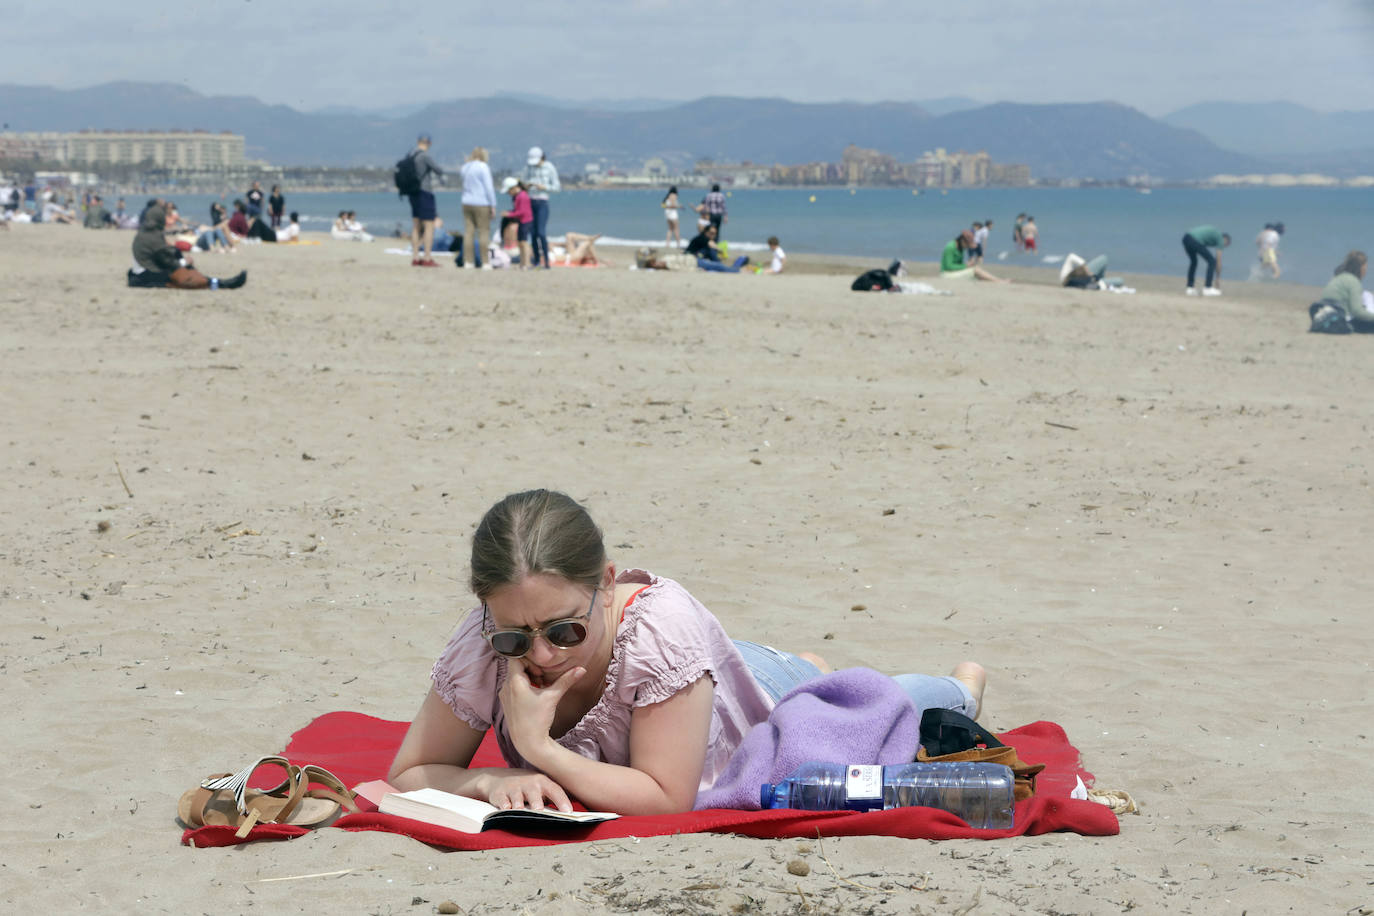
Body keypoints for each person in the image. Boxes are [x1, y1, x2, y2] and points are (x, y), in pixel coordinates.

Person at [387, 489, 986, 815]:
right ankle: (798, 662)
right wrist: (488, 780)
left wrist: (540, 750)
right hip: (704, 680)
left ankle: (961, 683)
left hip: (755, 703)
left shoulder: (657, 633)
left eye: (564, 630)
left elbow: (667, 799)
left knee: (876, 699)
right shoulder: (486, 642)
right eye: (515, 637)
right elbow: (406, 775)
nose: (540, 654)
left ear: (605, 583)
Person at [127, 200, 246, 290]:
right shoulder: (153, 237)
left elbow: (161, 255)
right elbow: (167, 261)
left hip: (139, 273)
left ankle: (214, 282)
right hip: (145, 276)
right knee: (183, 275)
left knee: (178, 257)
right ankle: (217, 283)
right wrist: (184, 262)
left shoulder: (143, 233)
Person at [1310, 251, 1371, 333]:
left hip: (1324, 309)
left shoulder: (1338, 278)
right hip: (1340, 315)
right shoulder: (1354, 282)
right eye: (1365, 266)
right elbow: (1357, 311)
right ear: (1361, 268)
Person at [407, 134, 444, 267]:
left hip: (412, 193)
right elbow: (439, 170)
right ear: (429, 143)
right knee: (429, 225)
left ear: (418, 141)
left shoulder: (411, 155)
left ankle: (415, 256)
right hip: (425, 192)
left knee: (416, 225)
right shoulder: (424, 156)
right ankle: (427, 257)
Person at [521, 147, 560, 269]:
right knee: (532, 233)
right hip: (530, 202)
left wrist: (544, 187)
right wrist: (526, 186)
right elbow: (522, 183)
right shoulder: (528, 167)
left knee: (541, 233)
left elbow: (557, 187)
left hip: (542, 202)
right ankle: (536, 261)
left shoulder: (549, 167)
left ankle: (546, 261)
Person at [460, 147, 498, 270]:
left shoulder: (465, 167)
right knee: (483, 232)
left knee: (468, 232)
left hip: (466, 202)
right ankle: (485, 262)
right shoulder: (483, 167)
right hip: (481, 202)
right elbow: (489, 188)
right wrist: (493, 205)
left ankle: (468, 261)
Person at [940, 230, 1009, 282]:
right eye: (967, 244)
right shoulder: (950, 247)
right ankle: (999, 281)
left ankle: (997, 280)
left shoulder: (961, 248)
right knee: (975, 270)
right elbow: (948, 266)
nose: (967, 247)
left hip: (952, 272)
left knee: (976, 272)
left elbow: (958, 264)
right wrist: (966, 266)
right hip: (946, 274)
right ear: (962, 241)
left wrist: (968, 264)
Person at [1181, 225, 1230, 296]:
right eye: (1226, 244)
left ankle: (1190, 288)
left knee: (1194, 262)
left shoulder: (1214, 235)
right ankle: (1207, 288)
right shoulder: (1220, 238)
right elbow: (1218, 260)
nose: (1223, 246)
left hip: (1186, 238)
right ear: (1225, 239)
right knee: (1212, 261)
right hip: (1194, 239)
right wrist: (1218, 278)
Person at [501, 177, 534, 270]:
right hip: (521, 221)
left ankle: (527, 263)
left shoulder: (522, 196)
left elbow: (522, 211)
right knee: (520, 243)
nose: (508, 194)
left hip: (526, 221)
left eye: (508, 191)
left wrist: (509, 214)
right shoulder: (517, 196)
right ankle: (523, 263)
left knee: (524, 243)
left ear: (513, 188)